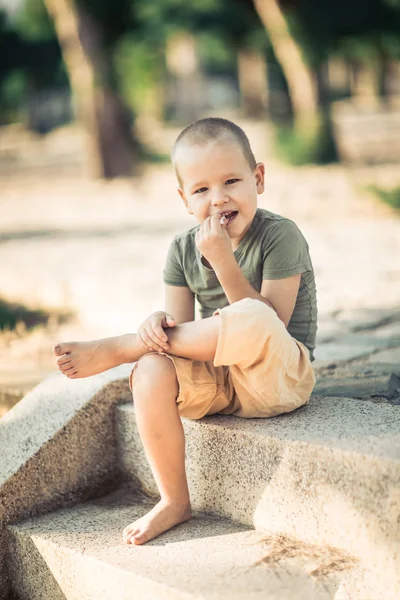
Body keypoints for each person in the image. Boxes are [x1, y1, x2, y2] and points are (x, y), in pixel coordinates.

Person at [52, 117, 317, 547]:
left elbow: (273, 323)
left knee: (255, 317)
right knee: (153, 364)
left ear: (259, 178)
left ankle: (123, 347)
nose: (218, 199)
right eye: (201, 189)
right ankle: (174, 500)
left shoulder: (280, 235)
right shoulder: (180, 249)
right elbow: (179, 336)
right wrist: (156, 326)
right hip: (217, 382)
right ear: (183, 198)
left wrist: (223, 262)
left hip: (279, 376)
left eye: (232, 180)